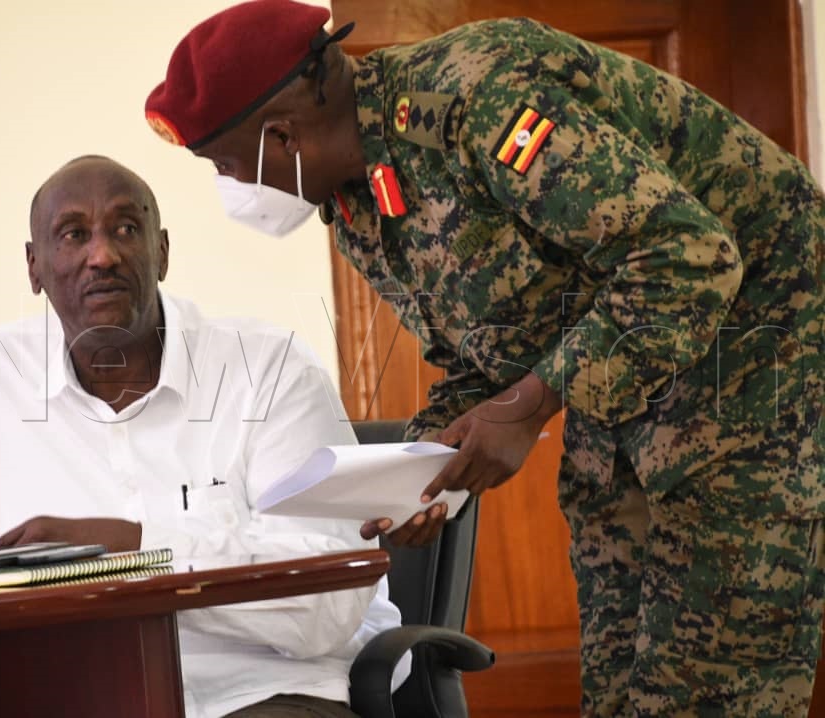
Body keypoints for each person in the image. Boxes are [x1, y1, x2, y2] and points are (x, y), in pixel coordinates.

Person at [144, 0, 825, 714]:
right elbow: (494, 350)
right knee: (620, 661)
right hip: (621, 361)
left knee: (713, 661)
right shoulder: (358, 206)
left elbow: (689, 256)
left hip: (749, 344)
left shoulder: (478, 99)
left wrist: (523, 408)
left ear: (279, 137)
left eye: (225, 166)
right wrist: (424, 469)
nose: (232, 189)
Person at [0, 155, 408, 718]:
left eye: (125, 229)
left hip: (260, 692)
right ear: (34, 267)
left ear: (162, 252)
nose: (103, 255)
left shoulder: (268, 369)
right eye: (73, 235)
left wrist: (131, 549)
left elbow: (327, 604)